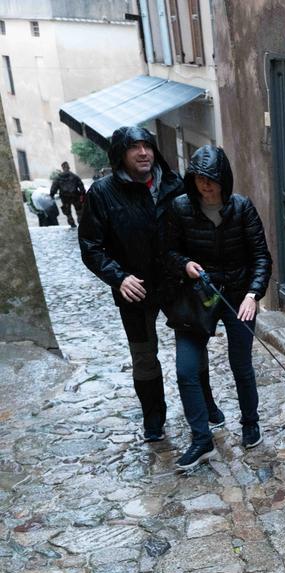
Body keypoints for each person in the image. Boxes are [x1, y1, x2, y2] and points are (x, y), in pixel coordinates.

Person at [164, 145, 272, 470]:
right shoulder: (180, 207)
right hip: (197, 296)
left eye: (211, 179)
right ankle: (202, 439)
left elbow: (261, 257)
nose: (205, 185)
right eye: (199, 179)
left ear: (224, 178)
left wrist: (253, 294)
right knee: (186, 369)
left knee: (241, 364)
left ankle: (250, 422)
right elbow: (168, 252)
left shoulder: (242, 207)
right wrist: (185, 264)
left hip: (238, 295)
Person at [78, 126, 187, 442]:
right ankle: (153, 418)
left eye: (147, 146)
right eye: (134, 147)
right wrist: (119, 277)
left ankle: (204, 407)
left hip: (175, 283)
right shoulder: (102, 193)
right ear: (120, 154)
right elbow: (91, 246)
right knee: (143, 357)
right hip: (135, 291)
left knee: (193, 347)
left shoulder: (174, 184)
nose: (143, 153)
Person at [51, 161, 86, 228]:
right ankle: (80, 222)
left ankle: (72, 223)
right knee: (79, 211)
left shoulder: (58, 178)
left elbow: (54, 187)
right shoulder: (74, 176)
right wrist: (83, 194)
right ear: (69, 167)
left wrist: (51, 195)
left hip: (65, 197)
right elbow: (81, 186)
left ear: (62, 168)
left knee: (68, 212)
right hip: (75, 196)